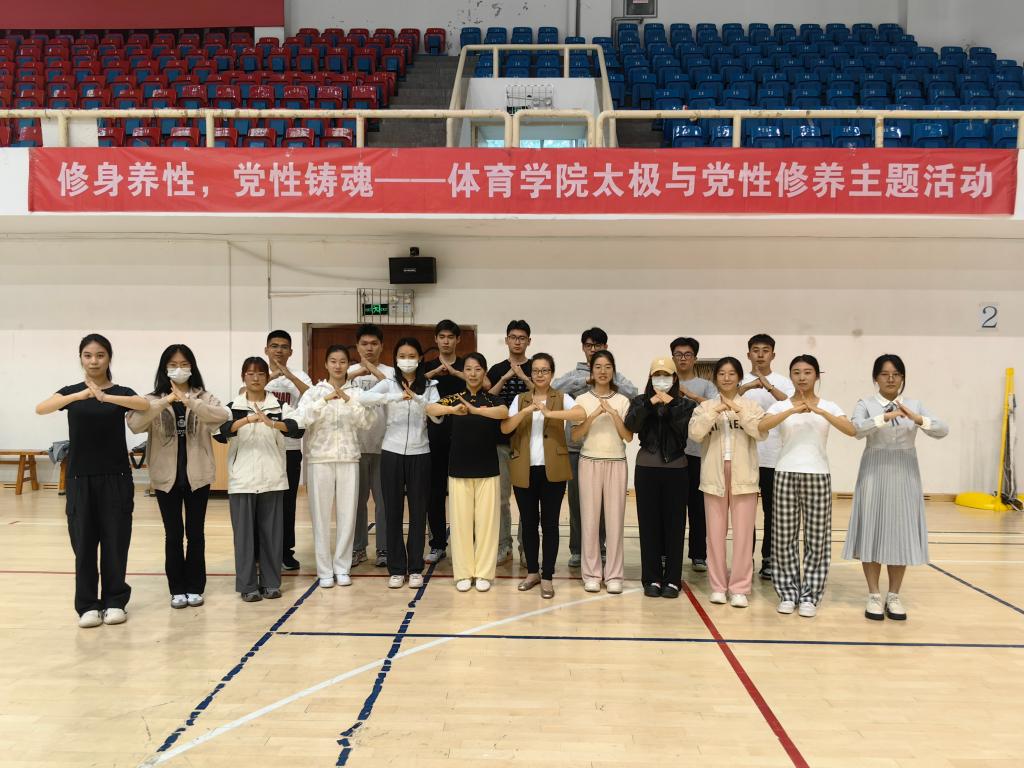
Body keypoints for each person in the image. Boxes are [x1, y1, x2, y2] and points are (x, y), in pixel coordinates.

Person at [36, 334, 149, 628]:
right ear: (81, 358)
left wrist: (105, 397)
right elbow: (42, 408)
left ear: (109, 358)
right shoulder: (71, 393)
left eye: (100, 355)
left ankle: (115, 601)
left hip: (116, 477)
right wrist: (80, 396)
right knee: (84, 544)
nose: (94, 361)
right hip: (80, 478)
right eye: (88, 355)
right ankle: (87, 605)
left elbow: (143, 405)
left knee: (115, 541)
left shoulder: (121, 392)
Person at [843, 354, 948, 621]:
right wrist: (884, 417)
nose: (891, 379)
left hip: (905, 472)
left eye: (896, 374)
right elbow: (856, 430)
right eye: (885, 374)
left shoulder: (914, 404)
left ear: (902, 377)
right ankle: (873, 595)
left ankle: (894, 595)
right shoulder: (866, 404)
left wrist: (918, 418)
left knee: (899, 532)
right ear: (875, 378)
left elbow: (942, 429)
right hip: (874, 470)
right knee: (872, 529)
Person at [127, 344, 228, 609]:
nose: (179, 369)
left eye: (184, 364)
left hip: (198, 476)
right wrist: (166, 400)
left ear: (192, 367)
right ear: (164, 368)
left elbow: (222, 417)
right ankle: (177, 589)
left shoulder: (204, 396)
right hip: (165, 478)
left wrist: (189, 401)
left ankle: (195, 587)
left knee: (196, 534)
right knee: (173, 535)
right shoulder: (151, 398)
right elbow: (135, 424)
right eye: (173, 365)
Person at [759, 355, 855, 618]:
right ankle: (788, 594)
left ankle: (810, 596)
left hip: (818, 475)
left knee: (817, 539)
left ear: (817, 375)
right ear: (791, 376)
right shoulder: (780, 406)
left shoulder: (829, 405)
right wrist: (791, 410)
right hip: (785, 473)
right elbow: (761, 426)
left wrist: (820, 411)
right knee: (783, 538)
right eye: (797, 372)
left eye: (808, 372)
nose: (802, 377)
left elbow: (851, 430)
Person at [218, 357, 304, 603]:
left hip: (273, 478)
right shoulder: (232, 407)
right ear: (243, 377)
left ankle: (271, 583)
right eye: (250, 373)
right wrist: (246, 420)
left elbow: (297, 427)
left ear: (267, 377)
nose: (255, 378)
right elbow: (220, 433)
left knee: (272, 536)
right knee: (244, 537)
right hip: (242, 480)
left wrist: (272, 422)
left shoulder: (279, 406)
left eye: (260, 374)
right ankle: (247, 585)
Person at [552, 327, 638, 569]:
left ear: (606, 347)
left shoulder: (612, 374)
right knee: (578, 503)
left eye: (598, 346)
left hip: (609, 449)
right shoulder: (574, 375)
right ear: (583, 347)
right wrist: (586, 379)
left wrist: (606, 377)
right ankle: (577, 549)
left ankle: (600, 547)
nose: (593, 349)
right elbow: (555, 389)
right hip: (575, 447)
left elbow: (633, 392)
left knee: (605, 506)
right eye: (589, 345)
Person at [361, 338, 440, 589]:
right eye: (402, 356)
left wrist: (417, 399)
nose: (407, 360)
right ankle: (396, 568)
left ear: (420, 358)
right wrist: (393, 398)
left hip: (420, 452)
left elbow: (437, 414)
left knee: (418, 512)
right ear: (396, 359)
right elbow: (363, 399)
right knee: (392, 511)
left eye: (411, 355)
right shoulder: (388, 383)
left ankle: (415, 567)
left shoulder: (430, 385)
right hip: (391, 452)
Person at [688, 357, 766, 608]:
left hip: (744, 476)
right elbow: (695, 433)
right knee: (714, 535)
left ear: (739, 377)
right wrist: (716, 410)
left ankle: (740, 588)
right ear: (715, 378)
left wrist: (737, 409)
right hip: (714, 476)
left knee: (743, 535)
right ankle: (718, 587)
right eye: (722, 373)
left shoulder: (751, 406)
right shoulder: (705, 406)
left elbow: (760, 431)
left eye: (732, 373)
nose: (727, 378)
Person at [427, 353, 509, 592]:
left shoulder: (492, 399)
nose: (473, 374)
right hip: (459, 469)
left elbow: (503, 412)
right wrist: (454, 410)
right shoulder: (454, 398)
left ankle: (483, 573)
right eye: (469, 369)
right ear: (463, 373)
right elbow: (430, 408)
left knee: (487, 524)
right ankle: (463, 573)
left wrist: (475, 410)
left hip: (488, 469)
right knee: (461, 524)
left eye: (478, 369)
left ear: (484, 372)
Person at [295, 345, 371, 589]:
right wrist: (324, 401)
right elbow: (301, 419)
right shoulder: (314, 392)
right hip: (320, 459)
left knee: (348, 516)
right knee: (320, 516)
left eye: (342, 361)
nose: (338, 366)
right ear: (326, 364)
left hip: (349, 458)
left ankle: (342, 567)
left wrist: (348, 401)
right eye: (333, 361)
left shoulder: (357, 393)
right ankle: (324, 570)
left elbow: (367, 422)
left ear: (348, 365)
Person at [502, 353, 577, 599]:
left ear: (552, 373)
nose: (540, 374)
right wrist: (526, 411)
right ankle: (532, 572)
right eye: (535, 370)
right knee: (528, 522)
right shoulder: (520, 399)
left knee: (550, 524)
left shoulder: (562, 397)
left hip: (553, 470)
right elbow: (506, 427)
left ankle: (547, 576)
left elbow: (580, 414)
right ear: (530, 374)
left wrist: (550, 414)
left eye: (545, 370)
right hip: (524, 468)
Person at [624, 357, 696, 599]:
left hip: (677, 469)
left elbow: (684, 430)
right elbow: (631, 425)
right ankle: (652, 578)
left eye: (666, 375)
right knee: (649, 525)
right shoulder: (639, 401)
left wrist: (671, 404)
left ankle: (672, 580)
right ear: (650, 377)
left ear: (674, 378)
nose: (661, 380)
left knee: (675, 524)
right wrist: (650, 403)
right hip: (646, 469)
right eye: (657, 375)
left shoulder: (685, 405)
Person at [567, 351, 633, 594]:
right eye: (598, 367)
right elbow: (575, 436)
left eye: (607, 367)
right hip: (588, 462)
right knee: (589, 520)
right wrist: (593, 415)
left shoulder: (623, 401)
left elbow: (628, 436)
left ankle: (614, 575)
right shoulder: (582, 399)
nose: (603, 371)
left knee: (615, 521)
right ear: (591, 371)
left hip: (616, 462)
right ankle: (592, 574)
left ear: (613, 370)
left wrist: (613, 414)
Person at [738, 334, 795, 580]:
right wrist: (749, 386)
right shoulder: (739, 380)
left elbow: (792, 405)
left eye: (765, 350)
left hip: (773, 457)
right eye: (755, 350)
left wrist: (768, 385)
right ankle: (744, 559)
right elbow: (727, 398)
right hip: (744, 456)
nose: (760, 354)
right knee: (745, 513)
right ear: (748, 354)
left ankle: (770, 558)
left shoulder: (784, 382)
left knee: (773, 511)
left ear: (773, 354)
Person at [262, 330, 312, 572]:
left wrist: (288, 375)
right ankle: (262, 551)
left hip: (290, 448)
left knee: (287, 502)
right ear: (266, 350)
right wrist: (271, 376)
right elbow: (244, 396)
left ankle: (285, 551)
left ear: (291, 351)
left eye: (284, 346)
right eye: (274, 346)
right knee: (264, 502)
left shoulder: (299, 375)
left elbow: (311, 396)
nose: (279, 350)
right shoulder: (259, 373)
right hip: (263, 448)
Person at [487, 320, 534, 565]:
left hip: (528, 442)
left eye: (522, 337)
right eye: (513, 337)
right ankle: (504, 546)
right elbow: (486, 398)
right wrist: (505, 378)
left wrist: (524, 377)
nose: (517, 341)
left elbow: (543, 396)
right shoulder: (496, 369)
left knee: (527, 499)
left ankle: (526, 548)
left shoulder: (536, 367)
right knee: (501, 498)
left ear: (529, 341)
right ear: (506, 340)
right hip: (501, 442)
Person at [670, 336, 718, 572]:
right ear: (672, 358)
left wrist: (688, 394)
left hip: (699, 454)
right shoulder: (665, 382)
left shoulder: (706, 385)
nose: (683, 358)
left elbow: (715, 409)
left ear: (695, 358)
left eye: (687, 354)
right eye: (678, 354)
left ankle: (699, 554)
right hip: (673, 454)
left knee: (698, 507)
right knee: (673, 508)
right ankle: (669, 552)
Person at [348, 323, 393, 568]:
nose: (369, 348)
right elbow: (338, 385)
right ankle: (358, 548)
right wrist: (359, 370)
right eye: (364, 344)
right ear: (357, 346)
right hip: (354, 447)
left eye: (374, 343)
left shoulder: (390, 371)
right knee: (356, 502)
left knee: (384, 502)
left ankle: (384, 548)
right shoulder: (349, 370)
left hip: (384, 446)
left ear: (382, 346)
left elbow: (390, 385)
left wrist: (371, 368)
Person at [422, 319, 467, 564]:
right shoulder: (427, 367)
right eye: (442, 337)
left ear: (458, 340)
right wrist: (433, 373)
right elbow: (413, 386)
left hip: (462, 437)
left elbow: (482, 385)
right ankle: (437, 544)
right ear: (436, 340)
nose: (446, 341)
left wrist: (456, 373)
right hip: (434, 437)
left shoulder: (466, 366)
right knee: (435, 493)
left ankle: (464, 544)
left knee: (462, 494)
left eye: (451, 337)